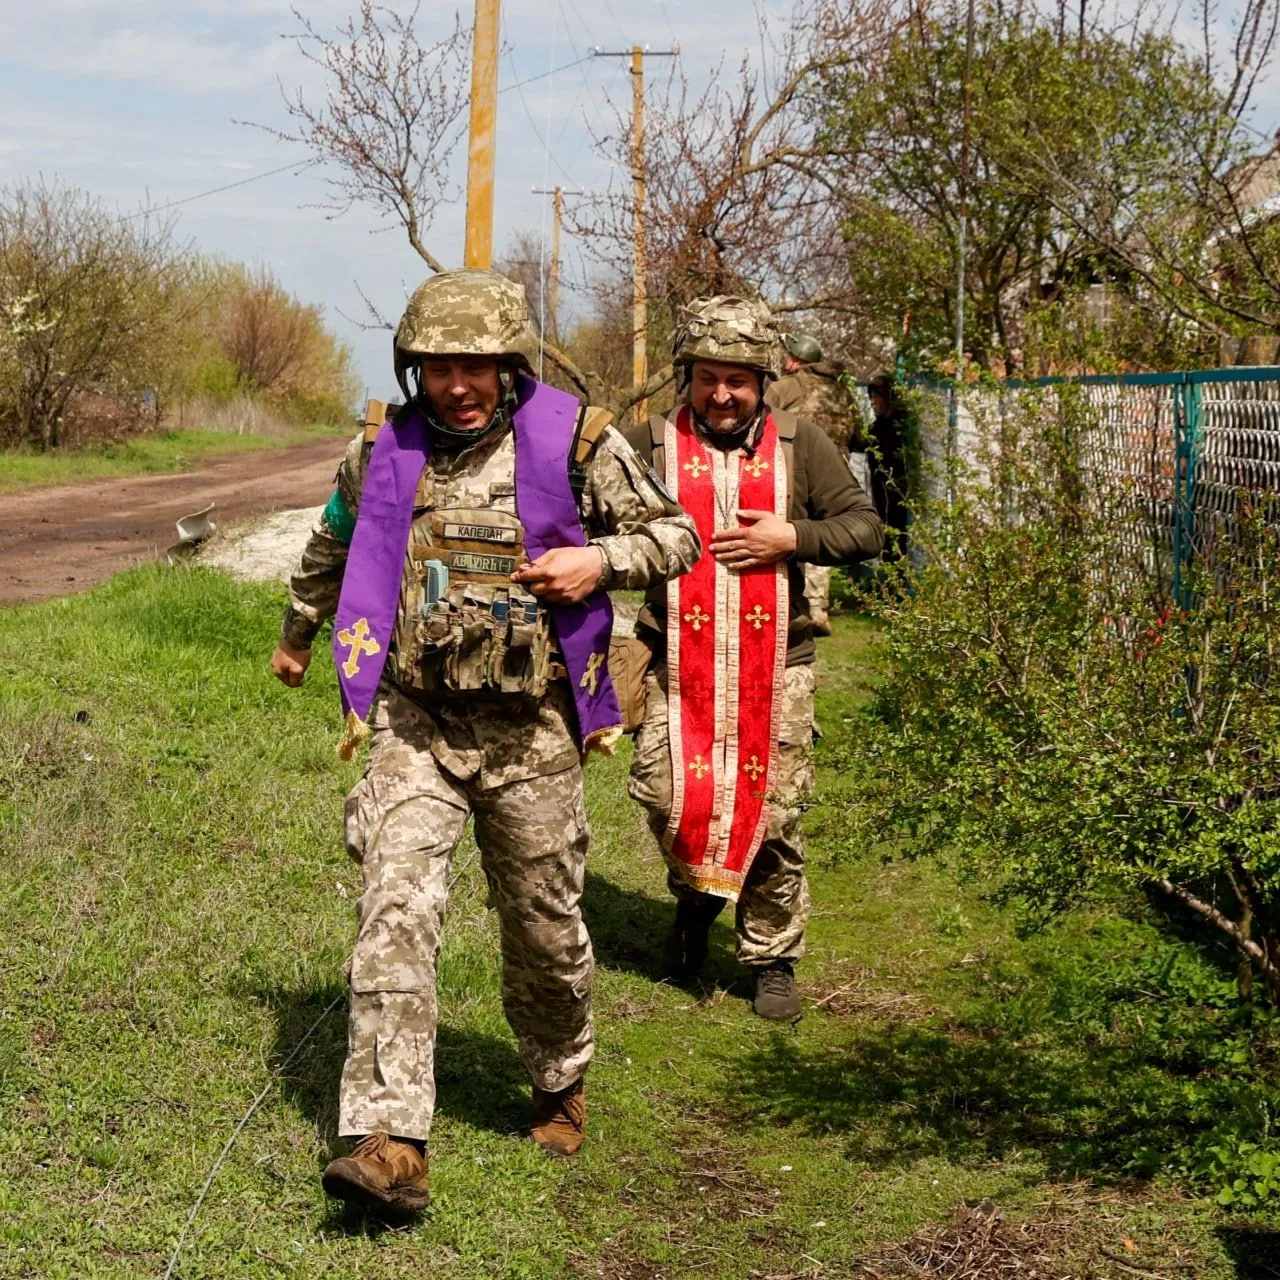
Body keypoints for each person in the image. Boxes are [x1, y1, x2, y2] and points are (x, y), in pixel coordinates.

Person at [269, 269, 699, 1213]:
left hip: (533, 735)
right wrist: (299, 637)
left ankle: (558, 1073)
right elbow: (331, 544)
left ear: (511, 364)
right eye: (436, 365)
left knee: (544, 930)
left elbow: (677, 537)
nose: (456, 383)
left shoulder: (578, 440)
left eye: (475, 364)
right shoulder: (384, 445)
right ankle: (388, 1139)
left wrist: (600, 559)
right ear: (412, 367)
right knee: (394, 912)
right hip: (414, 724)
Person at [624, 297, 882, 1022]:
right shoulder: (647, 445)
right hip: (674, 660)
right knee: (669, 795)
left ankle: (771, 957)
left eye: (739, 379)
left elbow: (865, 529)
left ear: (763, 378)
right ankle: (697, 900)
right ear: (688, 375)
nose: (723, 394)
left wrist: (790, 538)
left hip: (779, 664)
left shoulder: (803, 446)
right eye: (709, 377)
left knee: (773, 813)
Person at [766, 334, 853, 635]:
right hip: (836, 473)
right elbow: (858, 432)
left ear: (794, 359)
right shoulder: (842, 391)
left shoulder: (788, 385)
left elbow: (756, 419)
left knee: (789, 532)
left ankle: (786, 603)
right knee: (820, 535)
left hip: (795, 470)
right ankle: (817, 607)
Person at [858, 374, 911, 560]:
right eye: (870, 397)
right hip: (882, 494)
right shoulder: (877, 427)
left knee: (899, 541)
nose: (872, 403)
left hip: (900, 495)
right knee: (887, 540)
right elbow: (859, 442)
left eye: (876, 397)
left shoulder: (903, 425)